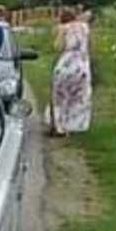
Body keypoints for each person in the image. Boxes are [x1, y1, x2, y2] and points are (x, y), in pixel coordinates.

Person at [46, 7, 92, 136]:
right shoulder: (85, 28)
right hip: (82, 66)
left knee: (59, 98)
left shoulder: (63, 28)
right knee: (78, 98)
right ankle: (75, 125)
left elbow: (58, 47)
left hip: (66, 66)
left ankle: (59, 127)